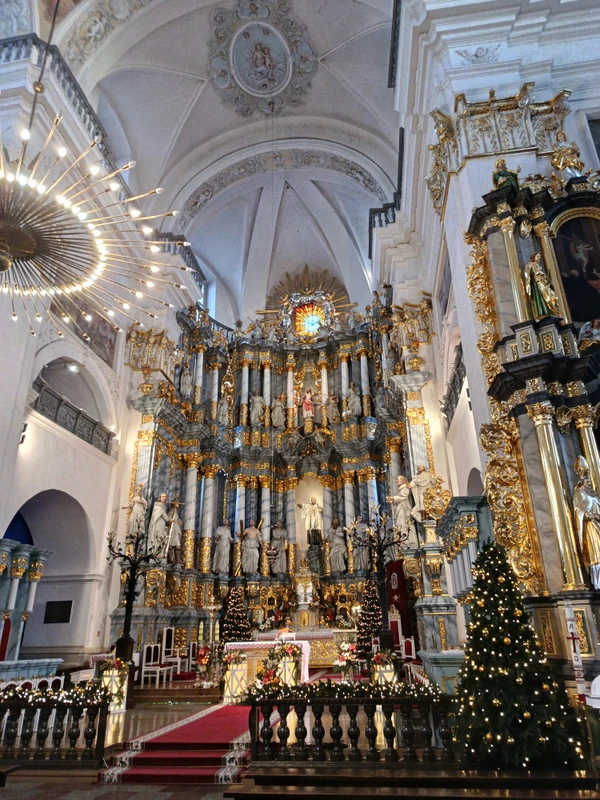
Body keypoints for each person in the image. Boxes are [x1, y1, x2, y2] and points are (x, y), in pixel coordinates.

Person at [573, 457, 600, 590]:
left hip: (598, 525)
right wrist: (592, 516)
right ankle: (597, 584)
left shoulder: (594, 495)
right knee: (596, 554)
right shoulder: (579, 494)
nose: (589, 483)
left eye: (590, 481)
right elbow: (580, 512)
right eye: (587, 481)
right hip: (590, 527)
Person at [523, 251, 560, 321]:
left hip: (543, 284)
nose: (539, 258)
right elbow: (530, 274)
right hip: (537, 285)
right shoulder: (531, 265)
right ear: (533, 257)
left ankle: (549, 312)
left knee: (549, 297)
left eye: (540, 257)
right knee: (541, 298)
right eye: (537, 256)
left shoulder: (538, 266)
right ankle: (542, 312)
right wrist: (538, 273)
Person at [387, 476, 418, 548]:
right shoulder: (402, 489)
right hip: (402, 508)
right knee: (400, 524)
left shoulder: (405, 487)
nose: (397, 481)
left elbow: (404, 497)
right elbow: (400, 499)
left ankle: (407, 540)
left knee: (402, 523)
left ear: (402, 481)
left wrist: (393, 498)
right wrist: (392, 501)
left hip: (405, 509)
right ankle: (403, 539)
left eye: (398, 479)